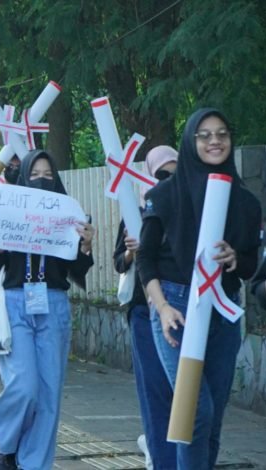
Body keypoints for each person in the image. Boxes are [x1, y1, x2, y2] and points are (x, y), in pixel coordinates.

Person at [137, 109, 261, 469]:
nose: (214, 141)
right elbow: (145, 259)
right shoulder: (163, 195)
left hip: (222, 310)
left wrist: (235, 257)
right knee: (194, 408)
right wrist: (161, 308)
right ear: (190, 142)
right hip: (176, 308)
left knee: (213, 413)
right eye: (204, 135)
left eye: (221, 134)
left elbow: (252, 265)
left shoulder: (246, 202)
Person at [0, 150, 95, 470]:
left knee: (49, 394)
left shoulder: (69, 214)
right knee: (24, 385)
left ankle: (33, 464)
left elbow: (77, 271)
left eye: (48, 175)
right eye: (34, 174)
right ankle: (8, 447)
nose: (41, 180)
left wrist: (86, 246)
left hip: (54, 305)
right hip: (15, 302)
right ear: (23, 178)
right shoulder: (8, 211)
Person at [113, 145, 178, 470]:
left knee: (184, 392)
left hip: (183, 310)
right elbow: (118, 262)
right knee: (154, 390)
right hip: (144, 311)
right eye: (161, 173)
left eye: (174, 171)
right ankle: (159, 453)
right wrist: (131, 252)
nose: (168, 179)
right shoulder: (134, 209)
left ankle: (175, 452)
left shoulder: (191, 207)